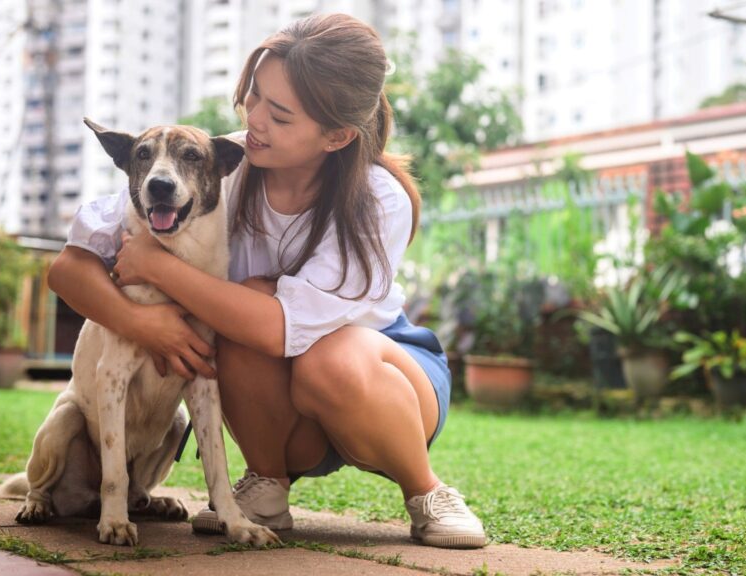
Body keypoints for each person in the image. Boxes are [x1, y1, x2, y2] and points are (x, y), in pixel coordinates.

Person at [48, 13, 486, 549]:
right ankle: (267, 483)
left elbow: (281, 328)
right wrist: (143, 322)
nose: (255, 120)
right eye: (253, 97)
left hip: (381, 387)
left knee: (312, 345)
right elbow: (69, 267)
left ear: (337, 135)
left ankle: (427, 492)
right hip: (286, 413)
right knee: (239, 309)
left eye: (279, 116)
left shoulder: (376, 198)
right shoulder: (212, 168)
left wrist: (160, 266)